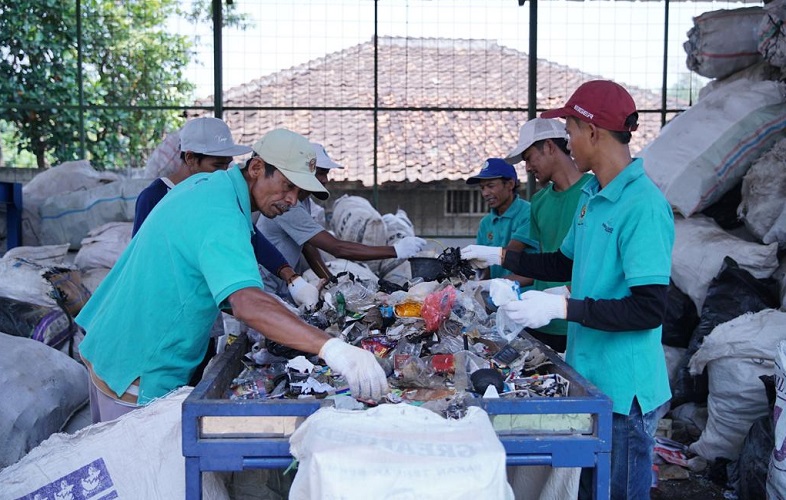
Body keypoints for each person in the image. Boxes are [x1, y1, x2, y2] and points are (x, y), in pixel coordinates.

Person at [76, 128, 388, 423]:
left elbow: (224, 272)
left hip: (115, 343)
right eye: (288, 186)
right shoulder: (220, 214)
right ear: (256, 168)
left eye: (299, 191)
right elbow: (245, 303)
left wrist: (287, 299)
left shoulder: (214, 190)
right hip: (137, 362)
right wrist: (331, 348)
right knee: (139, 474)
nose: (293, 200)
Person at [462, 80, 674, 500]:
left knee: (617, 493)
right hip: (589, 376)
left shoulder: (643, 205)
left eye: (571, 131)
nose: (566, 141)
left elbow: (648, 309)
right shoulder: (591, 196)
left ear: (592, 132)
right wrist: (499, 256)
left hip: (624, 391)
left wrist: (561, 307)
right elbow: (562, 262)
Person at [133, 117, 319, 310]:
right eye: (217, 166)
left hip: (201, 308)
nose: (223, 172)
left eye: (227, 165)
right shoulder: (155, 197)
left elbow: (252, 237)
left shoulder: (222, 199)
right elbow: (143, 260)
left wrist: (291, 277)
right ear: (190, 158)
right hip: (168, 305)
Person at [255, 142, 427, 300]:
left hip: (280, 285)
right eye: (320, 173)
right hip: (263, 288)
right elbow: (337, 248)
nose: (325, 180)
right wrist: (396, 250)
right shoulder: (288, 206)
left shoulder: (303, 202)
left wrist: (330, 281)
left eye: (326, 173)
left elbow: (309, 247)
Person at [503, 118, 593, 353]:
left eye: (530, 158)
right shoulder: (539, 202)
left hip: (577, 318)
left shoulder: (594, 194)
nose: (528, 168)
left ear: (550, 147)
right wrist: (501, 284)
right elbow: (545, 262)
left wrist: (565, 294)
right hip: (538, 319)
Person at [465, 158, 537, 286]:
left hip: (526, 296)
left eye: (491, 186)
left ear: (510, 184)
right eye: (482, 188)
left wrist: (489, 284)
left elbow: (510, 252)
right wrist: (477, 287)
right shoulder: (486, 223)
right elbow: (486, 269)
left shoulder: (528, 213)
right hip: (496, 297)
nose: (485, 193)